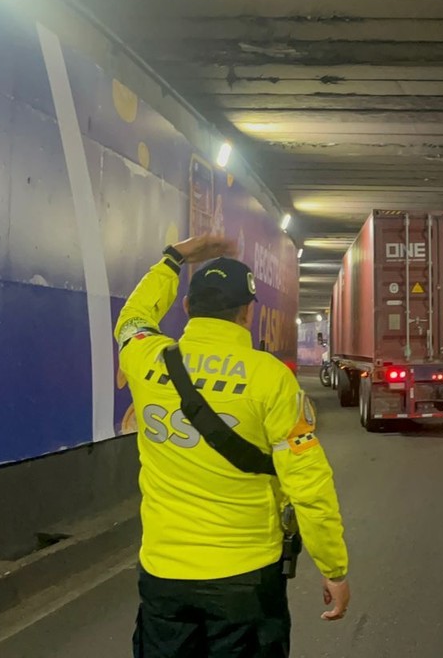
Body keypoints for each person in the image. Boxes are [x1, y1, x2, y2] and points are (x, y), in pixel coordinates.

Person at [116, 234, 350, 658]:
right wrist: (332, 567)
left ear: (187, 308)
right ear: (247, 314)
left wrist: (173, 258)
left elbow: (133, 317)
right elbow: (308, 486)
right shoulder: (271, 378)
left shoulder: (146, 358)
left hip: (163, 575)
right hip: (246, 578)